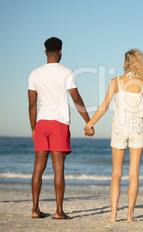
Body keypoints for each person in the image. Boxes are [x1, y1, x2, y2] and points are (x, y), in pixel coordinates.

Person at [84, 49, 143, 223]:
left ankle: (114, 215)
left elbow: (104, 106)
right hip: (137, 127)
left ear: (125, 63)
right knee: (134, 174)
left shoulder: (116, 82)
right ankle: (130, 216)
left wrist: (89, 124)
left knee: (116, 174)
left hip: (119, 127)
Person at [28, 37, 94, 219]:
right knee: (58, 169)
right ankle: (58, 211)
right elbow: (76, 98)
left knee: (38, 168)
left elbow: (32, 104)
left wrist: (33, 128)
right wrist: (88, 121)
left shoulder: (34, 73)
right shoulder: (66, 72)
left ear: (44, 52)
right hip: (59, 123)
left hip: (42, 123)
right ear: (60, 52)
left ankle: (35, 209)